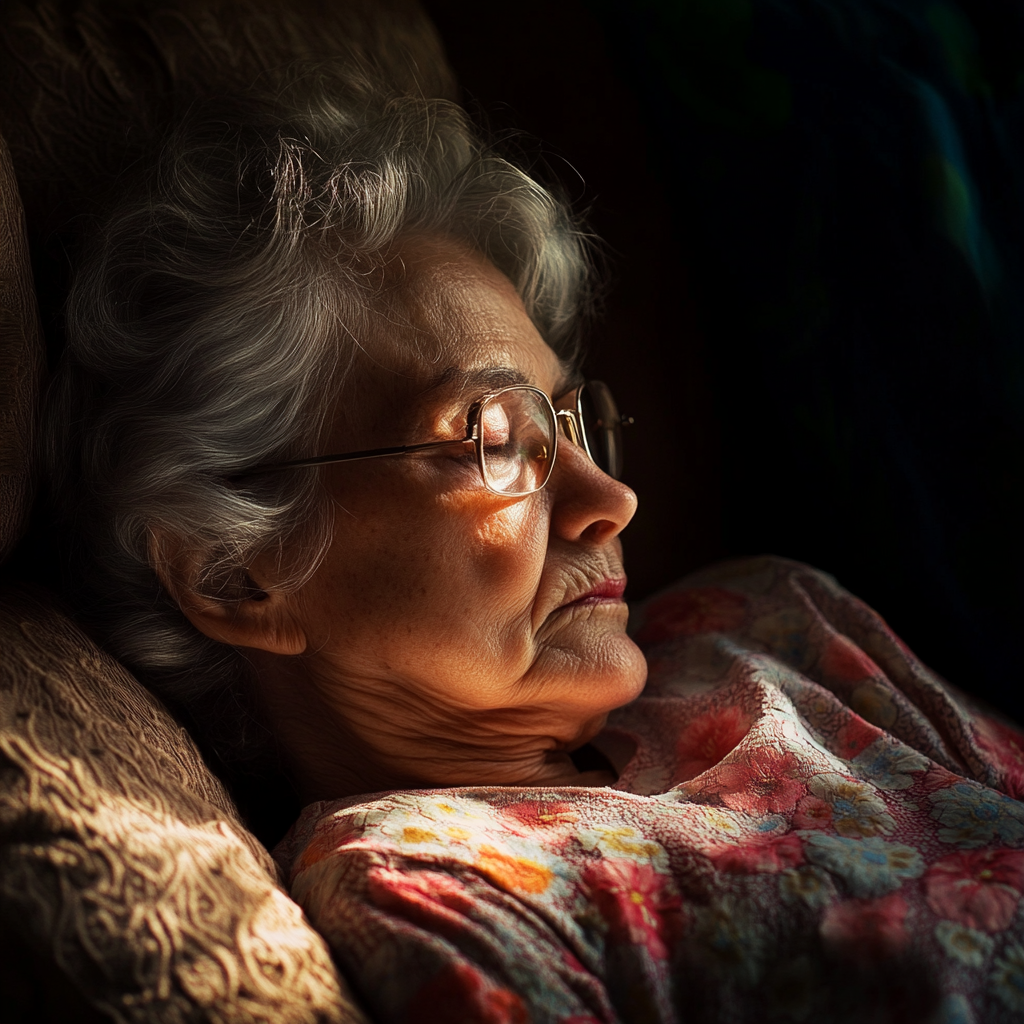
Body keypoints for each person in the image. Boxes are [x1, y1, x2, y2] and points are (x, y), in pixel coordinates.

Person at [45, 77, 1024, 1023]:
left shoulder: (775, 619)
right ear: (238, 571)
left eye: (570, 421)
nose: (612, 499)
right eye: (497, 439)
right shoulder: (431, 892)